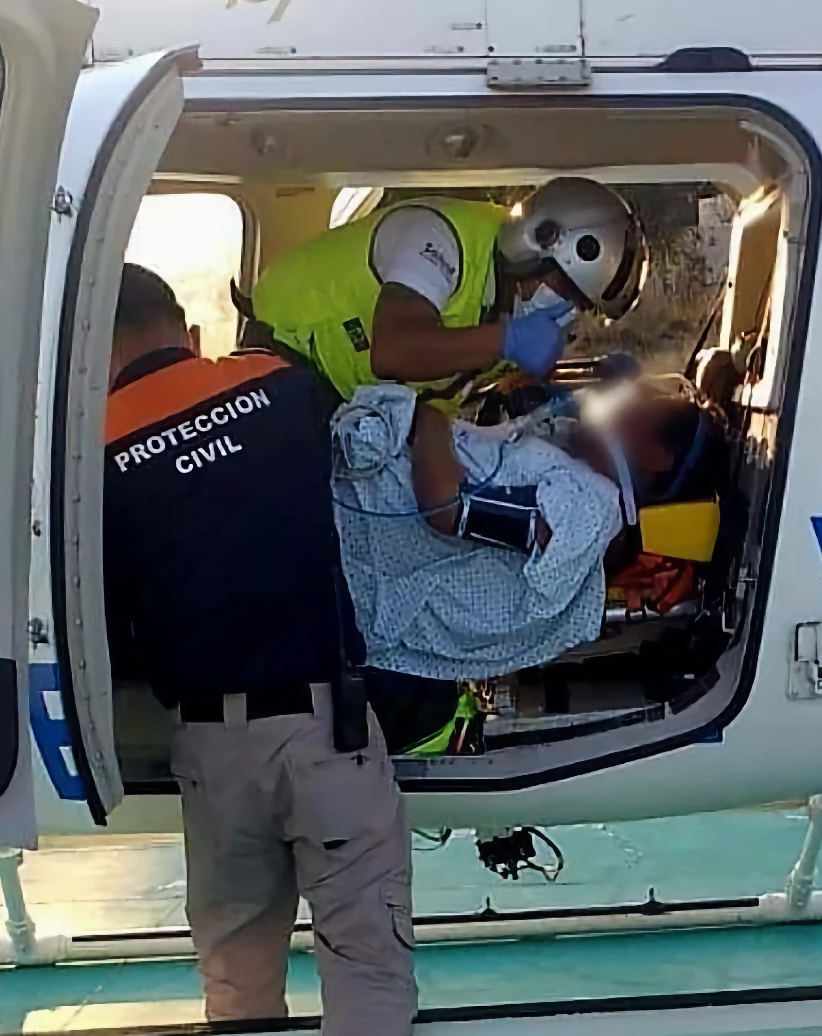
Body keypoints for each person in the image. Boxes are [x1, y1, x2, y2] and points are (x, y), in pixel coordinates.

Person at [103, 264, 415, 1035]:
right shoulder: (279, 384)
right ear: (183, 328)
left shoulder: (96, 451)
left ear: (98, 351)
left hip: (214, 751)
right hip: (326, 729)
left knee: (238, 989)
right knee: (367, 969)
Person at [331, 375, 730, 686]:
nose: (629, 400)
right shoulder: (580, 482)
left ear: (657, 457)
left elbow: (447, 507)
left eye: (645, 407)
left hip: (338, 540)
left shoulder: (588, 509)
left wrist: (429, 418)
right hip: (342, 526)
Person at [241, 177, 649, 413]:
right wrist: (505, 340)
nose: (567, 311)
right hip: (283, 359)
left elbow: (437, 397)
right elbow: (395, 350)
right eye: (567, 290)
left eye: (581, 305)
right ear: (533, 246)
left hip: (347, 401)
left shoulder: (505, 310)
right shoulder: (439, 237)